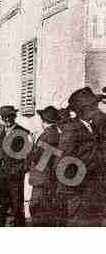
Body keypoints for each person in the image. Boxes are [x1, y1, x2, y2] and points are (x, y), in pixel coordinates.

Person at [57, 87, 106, 226]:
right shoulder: (72, 129)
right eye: (94, 105)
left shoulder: (93, 126)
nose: (97, 108)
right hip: (80, 193)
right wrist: (74, 192)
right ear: (83, 109)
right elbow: (63, 163)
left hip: (94, 192)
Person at [0, 105, 32, 227]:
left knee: (17, 206)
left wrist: (19, 171)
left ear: (14, 116)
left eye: (9, 117)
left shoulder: (23, 132)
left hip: (14, 176)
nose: (7, 119)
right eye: (4, 117)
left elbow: (28, 157)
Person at [28, 106, 60, 226]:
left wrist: (31, 143)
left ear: (43, 120)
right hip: (47, 179)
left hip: (42, 180)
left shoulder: (48, 135)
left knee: (38, 211)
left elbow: (38, 158)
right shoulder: (54, 133)